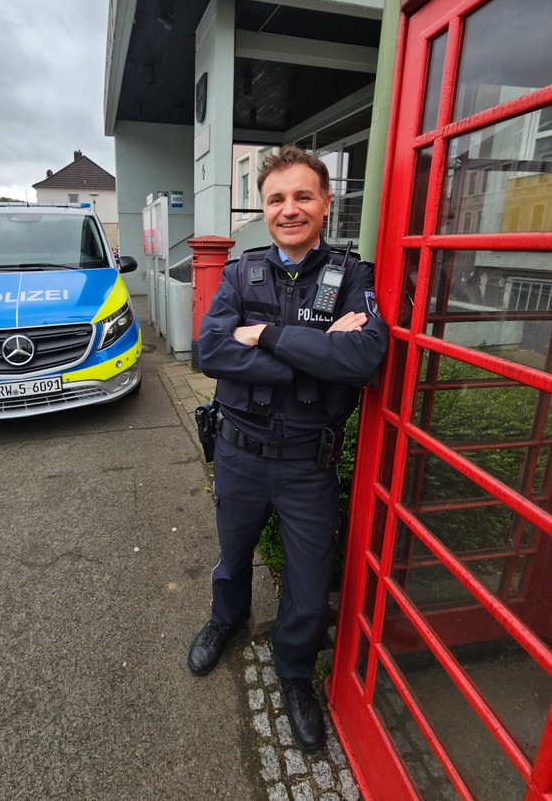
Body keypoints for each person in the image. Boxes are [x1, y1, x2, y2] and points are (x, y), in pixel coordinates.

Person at [187, 146, 388, 752]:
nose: (290, 208)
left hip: (308, 465)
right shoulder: (239, 272)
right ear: (264, 209)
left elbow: (365, 358)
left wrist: (269, 335)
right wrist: (311, 355)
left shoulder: (354, 276)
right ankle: (228, 620)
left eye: (303, 196)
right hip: (240, 452)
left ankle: (295, 673)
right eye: (277, 198)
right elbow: (210, 353)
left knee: (306, 581)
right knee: (232, 555)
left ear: (326, 203)